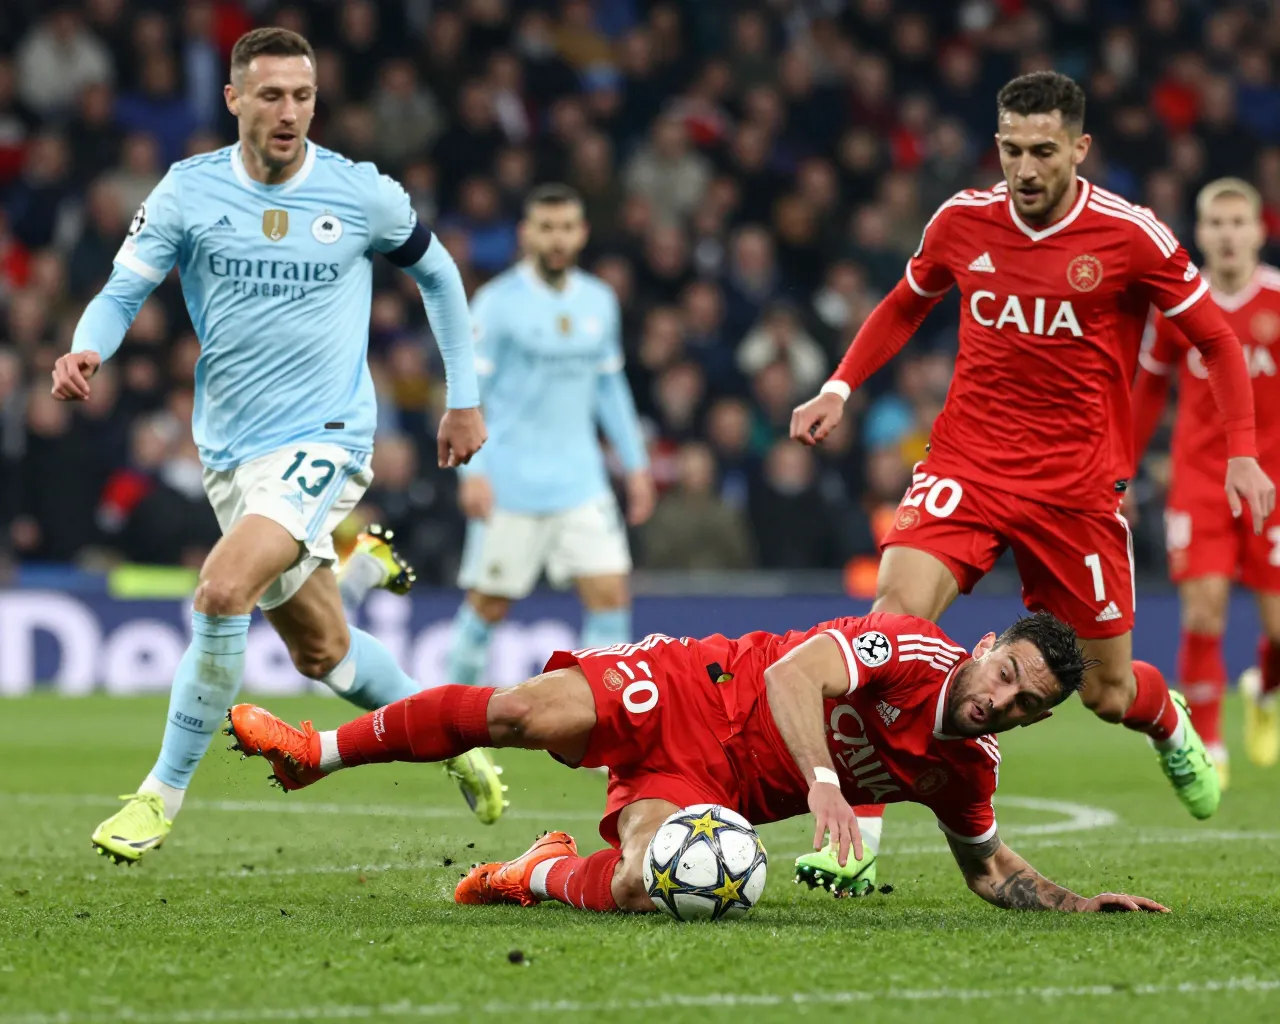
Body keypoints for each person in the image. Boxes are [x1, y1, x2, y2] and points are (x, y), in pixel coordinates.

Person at [789, 71, 1276, 894]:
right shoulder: (962, 220)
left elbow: (1219, 342)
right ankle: (854, 839)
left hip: (1076, 493)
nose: (1023, 168)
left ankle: (1168, 718)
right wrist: (840, 384)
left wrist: (1242, 451)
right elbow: (908, 303)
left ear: (1079, 150)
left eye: (1042, 151)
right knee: (890, 626)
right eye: (1010, 149)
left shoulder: (1132, 236)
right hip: (966, 468)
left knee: (1108, 693)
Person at [52, 28, 503, 865]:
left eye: (302, 95)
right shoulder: (188, 192)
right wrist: (88, 348)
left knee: (222, 592)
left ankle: (159, 796)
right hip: (230, 451)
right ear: (234, 100)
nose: (288, 110)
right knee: (325, 654)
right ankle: (454, 735)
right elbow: (123, 288)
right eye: (270, 95)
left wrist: (463, 401)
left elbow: (438, 273)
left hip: (325, 437)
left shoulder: (360, 193)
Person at [226, 611, 1168, 915]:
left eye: (1024, 704)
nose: (997, 699)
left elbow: (990, 867)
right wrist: (828, 785)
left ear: (1038, 719)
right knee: (520, 713)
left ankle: (537, 872)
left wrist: (1080, 906)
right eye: (1005, 673)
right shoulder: (913, 650)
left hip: (706, 790)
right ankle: (320, 752)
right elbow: (797, 679)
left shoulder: (968, 770)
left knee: (644, 884)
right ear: (989, 643)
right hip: (695, 685)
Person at [439, 185, 654, 739]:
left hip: (582, 482)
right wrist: (473, 472)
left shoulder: (599, 300)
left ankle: (607, 728)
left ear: (581, 234)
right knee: (488, 606)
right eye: (545, 228)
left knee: (610, 595)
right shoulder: (498, 303)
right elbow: (468, 394)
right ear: (526, 234)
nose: (556, 239)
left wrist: (636, 467)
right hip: (509, 483)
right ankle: (452, 732)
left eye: (566, 228)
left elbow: (611, 390)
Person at [1132, 177, 1280, 779]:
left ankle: (1263, 693)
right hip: (1200, 479)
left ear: (1259, 231)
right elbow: (1147, 392)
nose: (1226, 234)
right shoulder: (1177, 302)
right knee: (1204, 611)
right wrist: (1120, 473)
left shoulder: (1276, 299)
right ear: (1199, 231)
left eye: (1237, 222)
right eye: (1215, 223)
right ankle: (1210, 744)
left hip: (1273, 479)